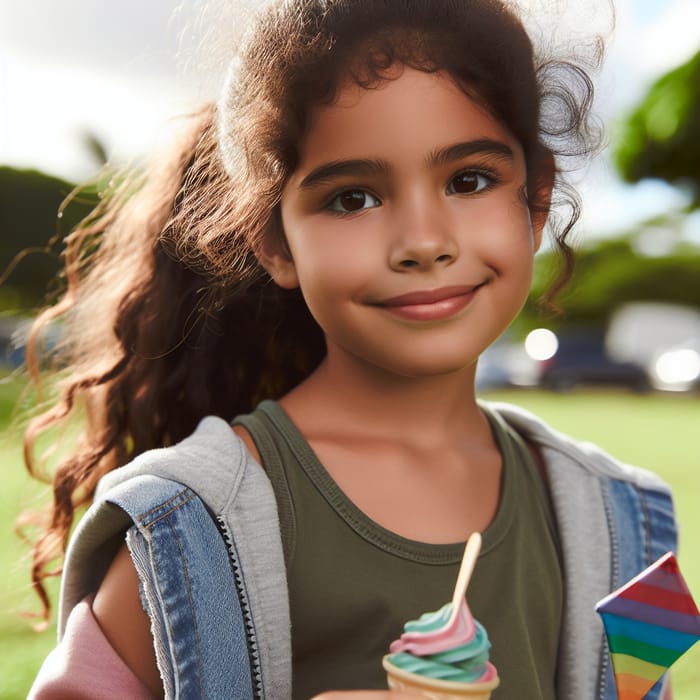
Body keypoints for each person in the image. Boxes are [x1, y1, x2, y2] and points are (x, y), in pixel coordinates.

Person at [24, 1, 676, 698]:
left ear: (535, 199)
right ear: (275, 242)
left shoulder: (634, 527)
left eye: (469, 181)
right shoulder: (183, 535)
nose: (424, 241)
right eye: (353, 197)